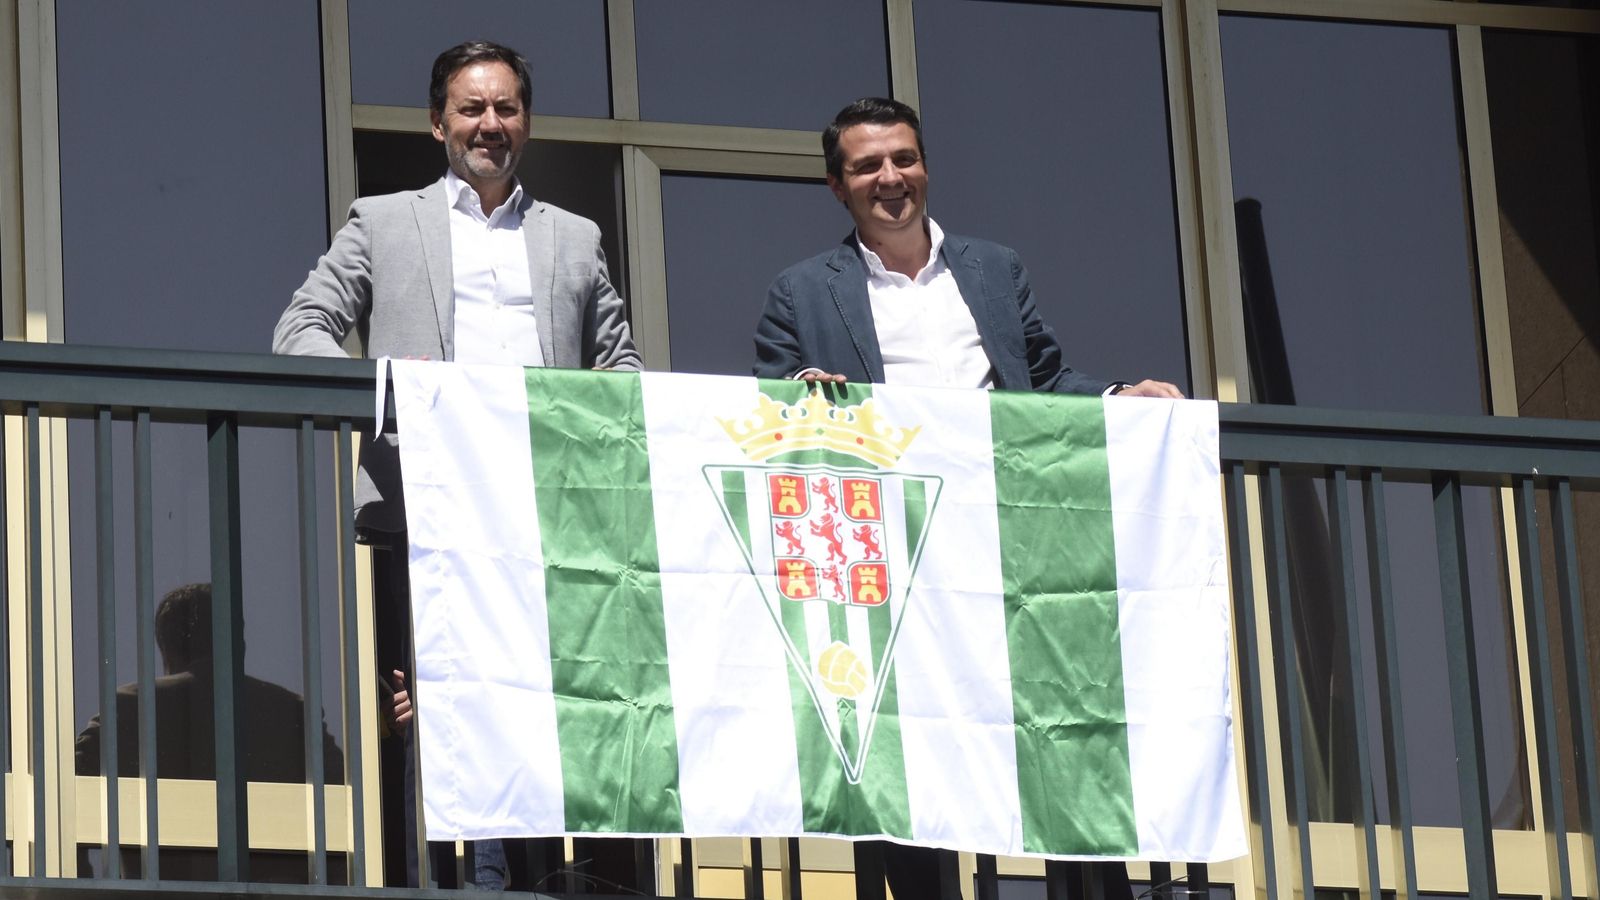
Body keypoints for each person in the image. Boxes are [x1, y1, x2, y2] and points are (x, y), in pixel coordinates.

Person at [755, 96, 1180, 899]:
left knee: (1054, 724)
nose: (891, 178)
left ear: (926, 166)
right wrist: (803, 394)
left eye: (904, 158)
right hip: (895, 555)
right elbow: (773, 406)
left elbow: (1041, 378)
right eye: (868, 166)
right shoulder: (801, 291)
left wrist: (1117, 394)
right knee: (906, 743)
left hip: (1005, 542)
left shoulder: (992, 268)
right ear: (837, 186)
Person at [274, 40, 642, 891]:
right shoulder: (383, 221)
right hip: (426, 512)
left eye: (506, 107)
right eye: (472, 109)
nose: (490, 124)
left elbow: (619, 365)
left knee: (546, 710)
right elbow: (302, 330)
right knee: (429, 717)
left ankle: (545, 878)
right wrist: (393, 393)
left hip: (548, 520)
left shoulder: (575, 237)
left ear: (527, 122)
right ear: (438, 124)